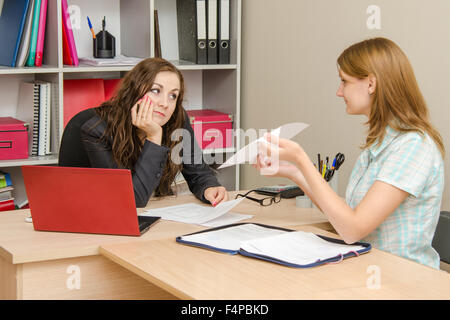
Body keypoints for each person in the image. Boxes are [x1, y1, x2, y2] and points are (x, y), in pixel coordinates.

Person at [255, 37, 445, 269]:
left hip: (402, 279)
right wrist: (294, 173)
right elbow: (346, 218)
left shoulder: (414, 146)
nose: (339, 91)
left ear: (371, 84)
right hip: (368, 269)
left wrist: (302, 159)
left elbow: (353, 229)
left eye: (344, 82)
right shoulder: (381, 142)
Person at [59, 57, 228, 207]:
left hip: (154, 214)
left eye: (173, 96)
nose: (165, 103)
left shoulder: (176, 118)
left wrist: (209, 188)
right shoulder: (96, 130)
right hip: (94, 217)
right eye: (156, 90)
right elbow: (130, 199)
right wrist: (154, 137)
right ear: (134, 91)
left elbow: (198, 172)